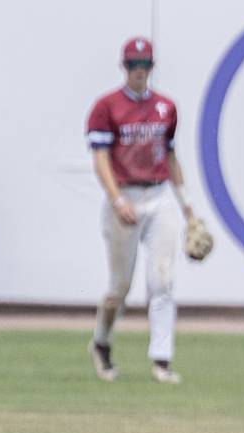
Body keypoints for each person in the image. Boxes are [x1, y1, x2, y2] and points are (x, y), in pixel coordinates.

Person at [85, 37, 194, 384]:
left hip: (159, 194)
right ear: (124, 67)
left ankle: (162, 359)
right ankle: (101, 342)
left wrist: (187, 206)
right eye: (133, 65)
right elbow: (101, 158)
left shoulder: (165, 107)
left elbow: (171, 156)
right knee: (120, 286)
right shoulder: (107, 106)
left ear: (152, 67)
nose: (139, 71)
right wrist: (118, 199)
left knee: (162, 280)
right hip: (125, 195)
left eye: (144, 64)